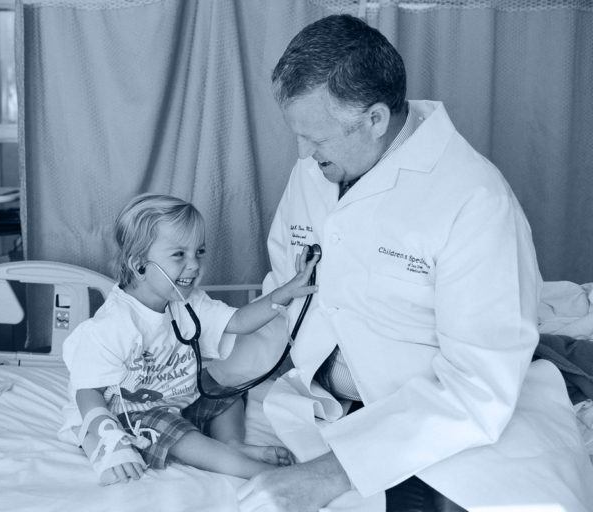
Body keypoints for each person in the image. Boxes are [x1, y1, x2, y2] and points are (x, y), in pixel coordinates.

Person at [238, 14, 593, 512]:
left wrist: (330, 475)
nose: (302, 152)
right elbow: (284, 287)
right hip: (326, 407)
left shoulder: (473, 200)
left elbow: (479, 382)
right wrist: (220, 378)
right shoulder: (316, 171)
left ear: (376, 120)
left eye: (316, 139)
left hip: (440, 418)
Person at [59, 193, 316, 485]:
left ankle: (232, 443)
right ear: (139, 264)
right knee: (178, 433)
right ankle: (259, 472)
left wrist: (285, 292)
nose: (194, 265)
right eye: (179, 254)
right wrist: (110, 439)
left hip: (174, 397)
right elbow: (87, 392)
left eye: (200, 252)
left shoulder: (187, 302)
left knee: (222, 385)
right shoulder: (114, 324)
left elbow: (240, 321)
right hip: (128, 416)